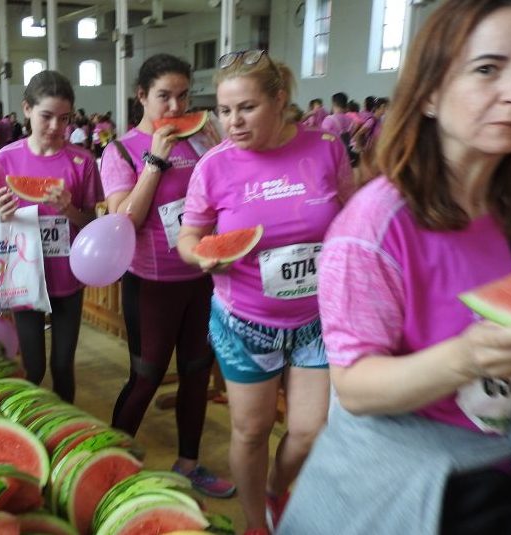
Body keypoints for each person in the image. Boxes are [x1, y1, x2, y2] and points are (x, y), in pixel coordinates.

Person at [279, 2, 511, 533]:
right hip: (404, 486)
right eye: (487, 68)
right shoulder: (375, 227)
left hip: (510, 468)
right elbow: (357, 388)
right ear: (430, 92)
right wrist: (470, 355)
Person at [176, 50, 351, 535]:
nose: (233, 121)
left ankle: (276, 486)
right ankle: (256, 522)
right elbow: (188, 238)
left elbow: (352, 215)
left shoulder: (326, 148)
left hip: (317, 320)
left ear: (280, 100)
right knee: (250, 432)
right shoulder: (212, 166)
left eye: (247, 108)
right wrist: (203, 256)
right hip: (244, 322)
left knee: (309, 429)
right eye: (225, 110)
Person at [100, 53, 235, 498]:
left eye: (183, 96)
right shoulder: (119, 151)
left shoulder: (199, 142)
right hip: (151, 285)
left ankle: (189, 463)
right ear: (141, 96)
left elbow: (223, 201)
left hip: (201, 278)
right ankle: (111, 465)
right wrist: (155, 162)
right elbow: (125, 220)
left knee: (197, 372)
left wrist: (223, 151)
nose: (176, 108)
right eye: (164, 96)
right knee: (146, 376)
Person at [0, 71, 102, 402]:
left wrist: (69, 210)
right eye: (47, 116)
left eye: (64, 118)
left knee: (62, 365)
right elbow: (0, 219)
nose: (56, 127)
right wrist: (1, 214)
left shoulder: (81, 161)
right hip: (25, 274)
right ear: (26, 109)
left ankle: (64, 432)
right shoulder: (6, 158)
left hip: (68, 277)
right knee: (34, 367)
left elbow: (91, 223)